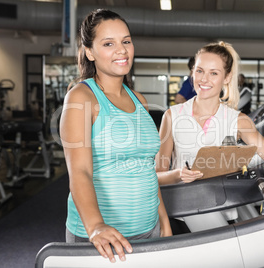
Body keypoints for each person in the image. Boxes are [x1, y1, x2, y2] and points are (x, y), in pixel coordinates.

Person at [60, 9, 172, 263]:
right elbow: (80, 172)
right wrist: (96, 226)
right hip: (102, 238)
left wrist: (163, 220)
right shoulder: (81, 97)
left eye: (126, 41)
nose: (121, 50)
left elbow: (146, 169)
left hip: (148, 230)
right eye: (108, 43)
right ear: (90, 52)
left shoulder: (139, 100)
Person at [155, 41, 264, 220]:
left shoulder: (237, 120)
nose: (204, 79)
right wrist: (177, 175)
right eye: (199, 71)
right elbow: (157, 175)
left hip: (223, 214)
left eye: (214, 73)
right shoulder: (172, 115)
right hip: (184, 215)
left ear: (227, 77)